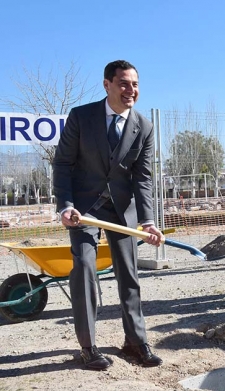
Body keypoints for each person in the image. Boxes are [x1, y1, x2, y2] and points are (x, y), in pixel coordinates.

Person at [53, 60, 164, 370]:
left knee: (129, 274)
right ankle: (88, 346)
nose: (131, 90)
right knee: (85, 268)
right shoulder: (82, 117)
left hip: (121, 209)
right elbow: (62, 164)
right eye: (124, 84)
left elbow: (142, 178)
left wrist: (148, 221)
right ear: (107, 85)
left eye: (135, 85)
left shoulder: (144, 126)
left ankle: (134, 342)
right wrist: (65, 205)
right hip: (83, 209)